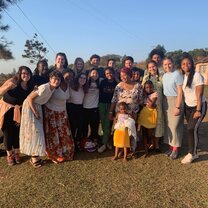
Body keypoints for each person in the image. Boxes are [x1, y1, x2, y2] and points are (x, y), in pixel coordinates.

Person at [20, 70, 62, 168]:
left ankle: (35, 157)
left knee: (37, 132)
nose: (56, 81)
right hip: (30, 107)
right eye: (54, 79)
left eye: (58, 79)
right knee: (35, 132)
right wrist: (35, 112)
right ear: (50, 79)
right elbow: (29, 98)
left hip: (37, 107)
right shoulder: (44, 87)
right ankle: (34, 158)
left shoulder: (53, 89)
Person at [0, 66, 34, 166]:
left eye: (28, 73)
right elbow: (1, 91)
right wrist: (8, 86)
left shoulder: (29, 86)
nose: (25, 75)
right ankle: (9, 155)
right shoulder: (13, 81)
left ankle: (17, 153)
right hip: (7, 110)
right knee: (7, 133)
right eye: (23, 73)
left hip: (18, 111)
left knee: (16, 132)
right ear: (19, 74)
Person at [180, 53, 207, 164]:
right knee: (192, 129)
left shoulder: (197, 76)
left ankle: (192, 153)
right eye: (183, 63)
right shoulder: (183, 77)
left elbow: (199, 95)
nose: (186, 65)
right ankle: (193, 152)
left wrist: (198, 110)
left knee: (191, 128)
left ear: (192, 64)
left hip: (198, 106)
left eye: (188, 63)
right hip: (188, 107)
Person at [109, 67, 143, 153]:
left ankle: (132, 149)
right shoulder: (119, 86)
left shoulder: (137, 86)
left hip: (133, 114)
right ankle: (121, 148)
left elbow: (141, 101)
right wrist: (111, 112)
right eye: (121, 75)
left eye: (125, 75)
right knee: (121, 132)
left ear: (130, 75)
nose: (123, 77)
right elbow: (114, 100)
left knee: (132, 132)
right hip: (120, 114)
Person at [43, 70, 74, 163]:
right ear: (62, 76)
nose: (69, 78)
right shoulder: (55, 85)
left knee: (64, 134)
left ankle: (65, 151)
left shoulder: (69, 86)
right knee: (54, 135)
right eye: (67, 76)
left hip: (62, 112)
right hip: (52, 112)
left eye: (71, 77)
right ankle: (55, 154)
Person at [162, 57, 184, 159]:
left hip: (176, 101)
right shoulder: (164, 75)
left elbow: (180, 92)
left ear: (173, 63)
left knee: (175, 126)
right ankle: (171, 147)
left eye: (169, 64)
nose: (167, 66)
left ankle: (176, 149)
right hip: (166, 102)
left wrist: (177, 107)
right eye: (165, 64)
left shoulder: (177, 74)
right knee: (169, 126)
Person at [142, 60, 164, 152]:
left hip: (159, 105)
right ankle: (150, 144)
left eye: (153, 66)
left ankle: (157, 145)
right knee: (150, 125)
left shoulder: (161, 77)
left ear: (157, 66)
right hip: (149, 106)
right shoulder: (146, 78)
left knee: (158, 125)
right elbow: (143, 90)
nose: (152, 68)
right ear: (147, 69)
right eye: (150, 67)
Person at [98, 67, 117, 153]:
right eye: (107, 74)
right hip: (102, 104)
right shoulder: (102, 82)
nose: (109, 75)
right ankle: (107, 141)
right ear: (105, 75)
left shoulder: (116, 83)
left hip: (111, 105)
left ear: (113, 73)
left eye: (110, 73)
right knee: (104, 123)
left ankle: (104, 143)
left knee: (108, 124)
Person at [67, 73, 88, 150]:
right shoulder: (71, 86)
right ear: (77, 78)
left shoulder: (84, 88)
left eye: (84, 78)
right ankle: (72, 145)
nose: (82, 79)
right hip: (71, 107)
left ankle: (78, 143)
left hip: (80, 108)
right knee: (73, 127)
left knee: (80, 127)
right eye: (81, 77)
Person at [138, 80, 158, 157]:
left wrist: (146, 96)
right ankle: (146, 151)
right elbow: (142, 104)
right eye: (146, 88)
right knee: (144, 133)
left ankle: (151, 144)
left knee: (150, 133)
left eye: (150, 87)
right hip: (144, 114)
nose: (148, 89)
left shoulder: (155, 94)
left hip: (151, 115)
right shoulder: (144, 95)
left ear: (153, 87)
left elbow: (150, 104)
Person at [83, 69, 100, 144]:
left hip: (94, 108)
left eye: (96, 73)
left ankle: (94, 140)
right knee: (84, 126)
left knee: (94, 126)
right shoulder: (85, 82)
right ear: (90, 74)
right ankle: (84, 140)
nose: (95, 74)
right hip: (85, 107)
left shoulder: (100, 82)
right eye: (93, 73)